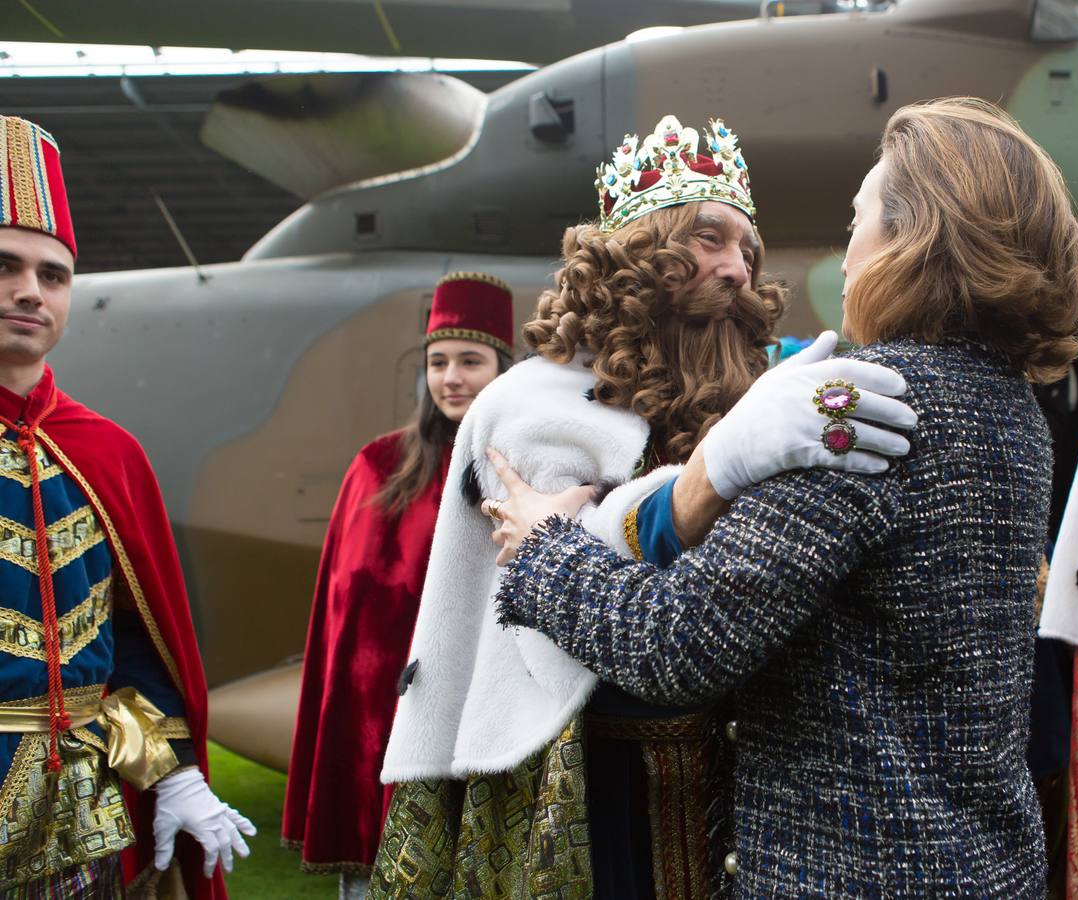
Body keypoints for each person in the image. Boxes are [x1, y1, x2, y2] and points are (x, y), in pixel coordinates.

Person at [486, 97, 1078, 896]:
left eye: (858, 222)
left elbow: (677, 645)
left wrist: (542, 549)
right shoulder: (1010, 408)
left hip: (850, 873)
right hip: (982, 863)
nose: (845, 258)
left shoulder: (857, 408)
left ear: (915, 235)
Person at [370, 114, 915, 898]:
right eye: (707, 238)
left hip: (753, 765)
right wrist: (699, 483)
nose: (734, 270)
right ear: (635, 249)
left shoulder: (765, 390)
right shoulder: (527, 403)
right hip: (587, 776)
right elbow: (545, 557)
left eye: (746, 251)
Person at [0, 115, 251, 897]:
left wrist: (172, 775)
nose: (29, 291)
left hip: (83, 820)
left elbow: (137, 649)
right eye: (6, 266)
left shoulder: (107, 450)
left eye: (53, 274)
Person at [282, 272, 513, 898]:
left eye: (471, 360)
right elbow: (343, 617)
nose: (451, 378)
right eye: (438, 362)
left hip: (482, 725)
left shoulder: (522, 474)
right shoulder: (378, 467)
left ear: (503, 368)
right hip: (382, 725)